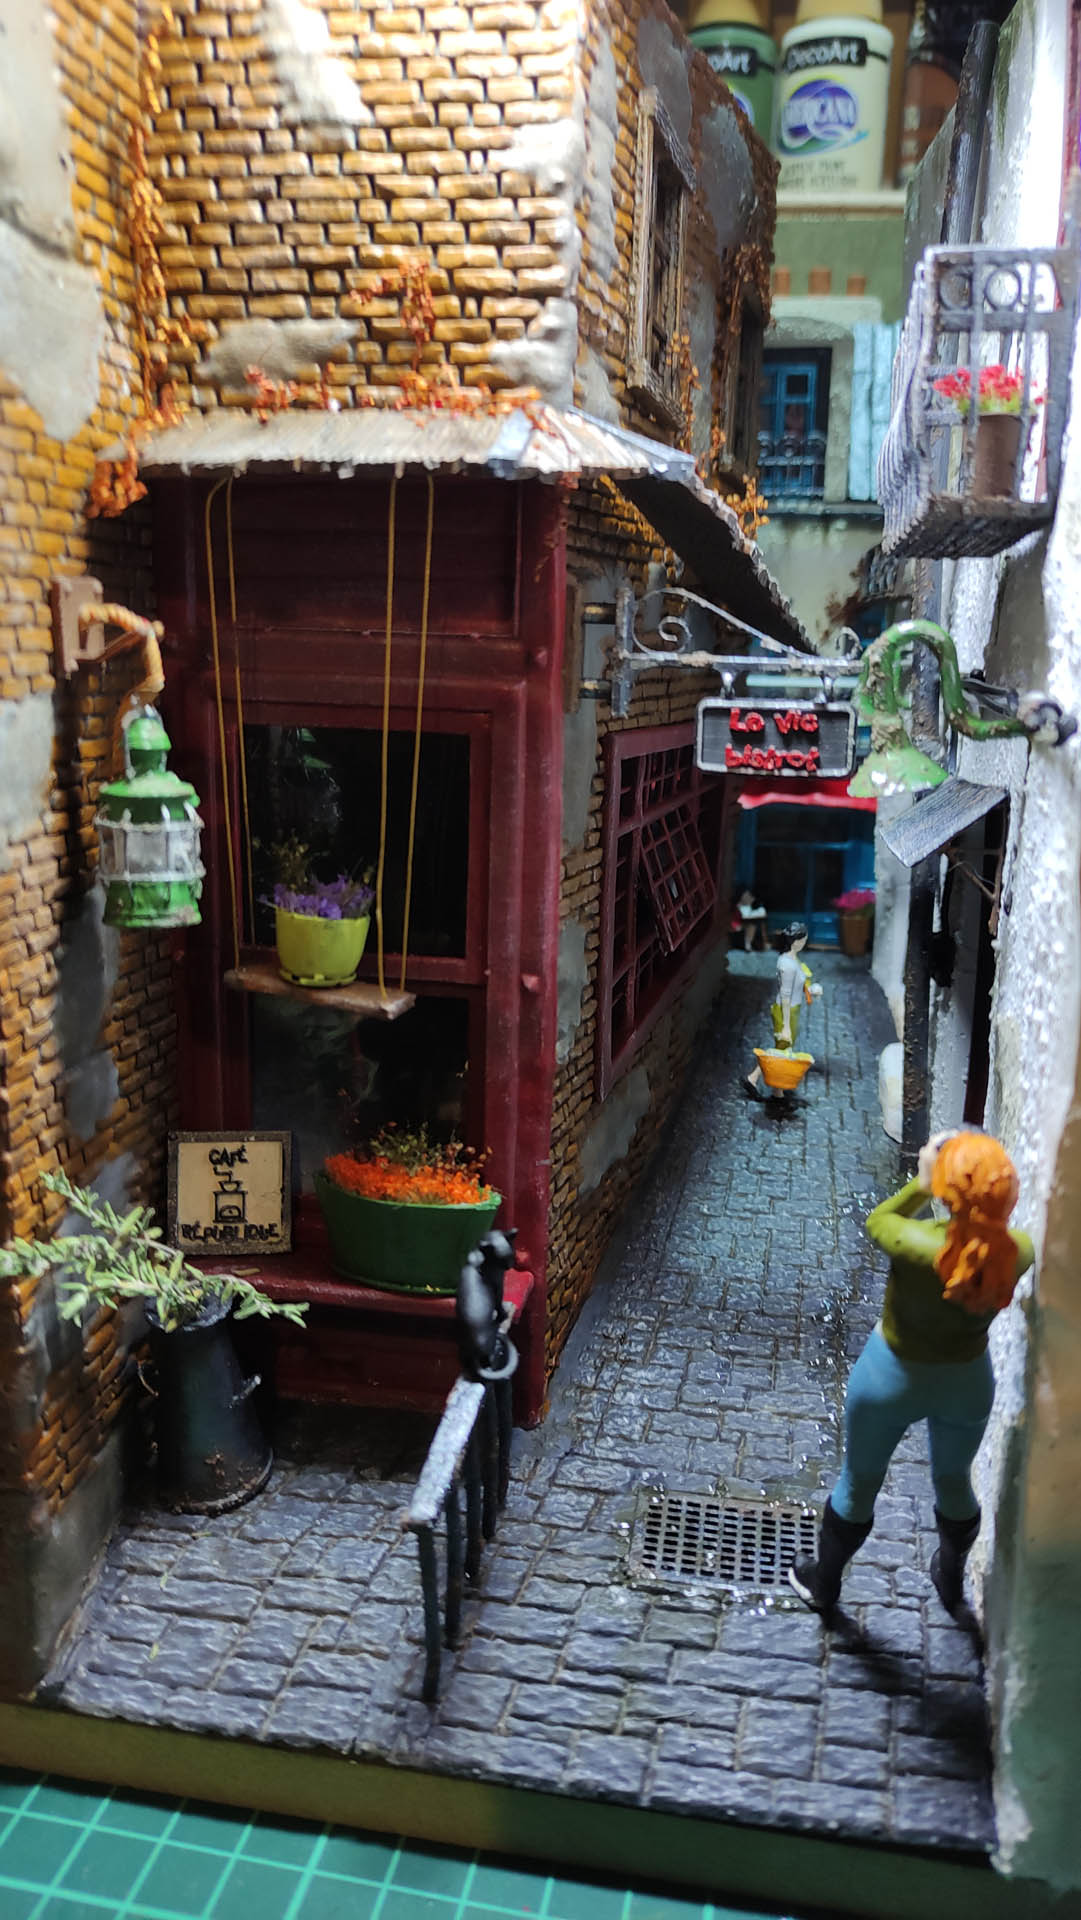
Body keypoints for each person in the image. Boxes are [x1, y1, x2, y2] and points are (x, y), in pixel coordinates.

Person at [789, 1130, 1034, 1616]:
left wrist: (923, 1181)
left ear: (946, 1190)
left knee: (859, 1481)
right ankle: (949, 1576)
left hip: (890, 1378)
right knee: (954, 1480)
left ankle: (825, 1583)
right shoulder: (1019, 1251)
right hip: (966, 1382)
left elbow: (879, 1218)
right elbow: (988, 1242)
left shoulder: (916, 1243)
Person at [742, 921, 822, 1097]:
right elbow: (785, 995)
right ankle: (756, 1079)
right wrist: (785, 1025)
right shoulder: (787, 964)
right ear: (797, 941)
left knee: (782, 1047)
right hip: (786, 1011)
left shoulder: (793, 960)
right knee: (782, 1048)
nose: (805, 943)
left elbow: (798, 985)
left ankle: (774, 1088)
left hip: (793, 1009)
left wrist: (811, 990)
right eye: (804, 940)